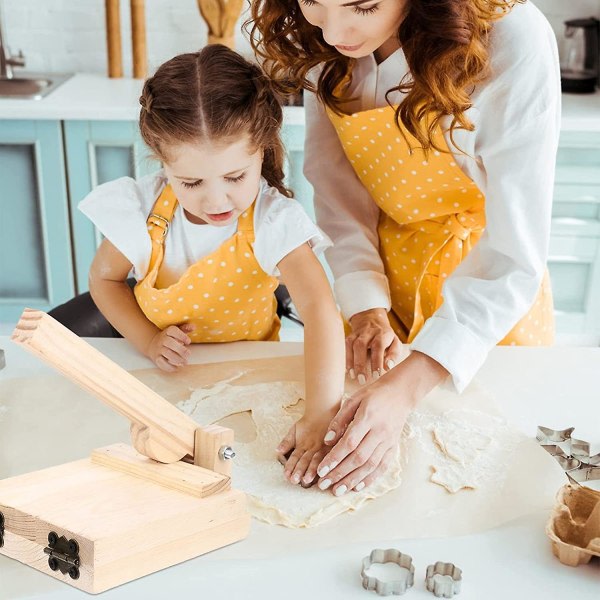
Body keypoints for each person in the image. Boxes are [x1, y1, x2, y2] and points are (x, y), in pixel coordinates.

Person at [249, 0, 560, 496]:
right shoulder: (324, 41)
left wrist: (409, 384)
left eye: (363, 6)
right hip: (387, 282)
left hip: (490, 306)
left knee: (486, 477)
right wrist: (366, 310)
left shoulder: (511, 37)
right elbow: (337, 189)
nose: (333, 33)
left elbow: (514, 250)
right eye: (312, 3)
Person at [79, 45, 345, 485]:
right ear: (162, 162)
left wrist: (320, 415)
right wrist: (147, 341)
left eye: (235, 177)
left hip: (250, 375)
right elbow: (104, 279)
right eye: (192, 182)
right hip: (167, 380)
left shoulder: (273, 220)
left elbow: (320, 314)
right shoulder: (140, 211)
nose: (216, 200)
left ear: (262, 149)